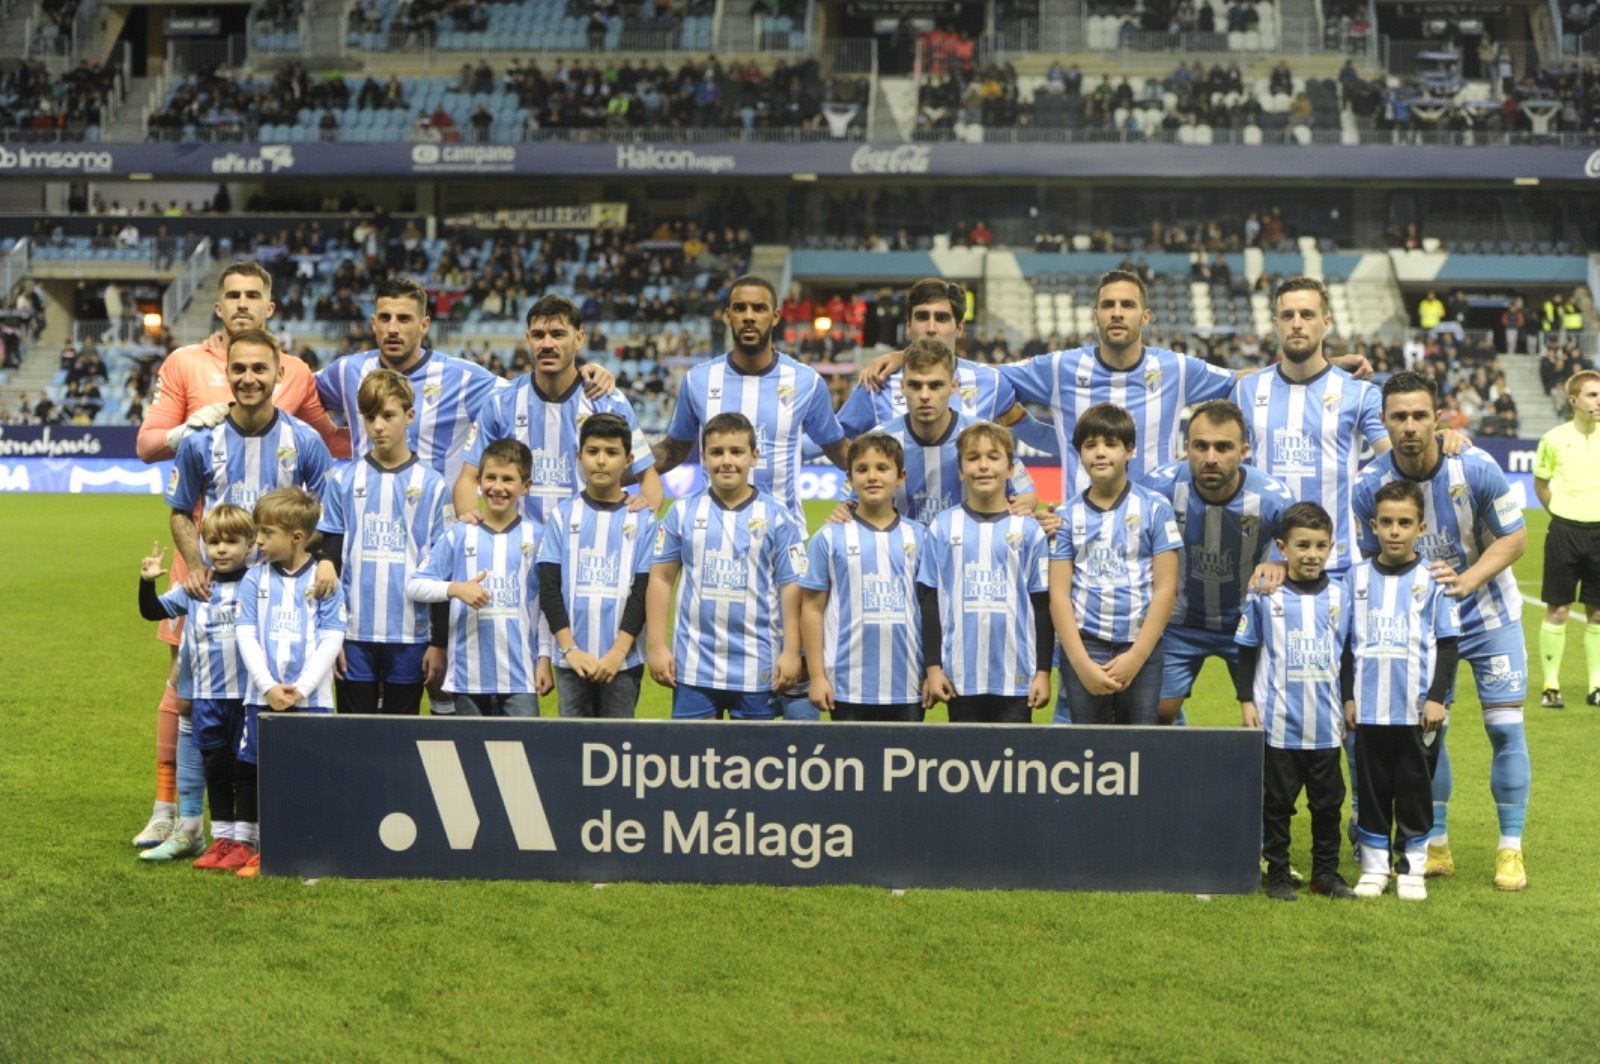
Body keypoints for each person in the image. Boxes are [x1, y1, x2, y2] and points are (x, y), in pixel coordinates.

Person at [131, 261, 343, 849]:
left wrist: (325, 557)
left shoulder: (300, 379)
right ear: (219, 306)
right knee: (188, 692)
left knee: (269, 693)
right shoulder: (184, 365)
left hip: (282, 583)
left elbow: (336, 443)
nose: (244, 302)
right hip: (209, 577)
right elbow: (151, 448)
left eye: (255, 294)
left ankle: (261, 823)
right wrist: (181, 434)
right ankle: (174, 811)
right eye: (233, 294)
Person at [1352, 371, 1530, 891]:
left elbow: (1514, 538)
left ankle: (1510, 848)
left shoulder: (1474, 466)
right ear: (1383, 421)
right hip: (1423, 631)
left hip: (1490, 617)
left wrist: (1465, 582)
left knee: (1504, 728)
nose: (1409, 427)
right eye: (1398, 417)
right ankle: (1437, 842)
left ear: (1439, 418)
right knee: (1430, 735)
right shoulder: (1370, 486)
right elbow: (1367, 560)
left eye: (1419, 415)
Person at [653, 275, 849, 527]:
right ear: (728, 316)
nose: (749, 316)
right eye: (740, 308)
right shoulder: (699, 380)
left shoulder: (806, 381)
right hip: (713, 533)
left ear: (775, 317)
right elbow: (671, 451)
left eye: (759, 308)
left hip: (783, 539)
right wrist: (614, 472)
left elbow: (839, 449)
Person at [1343, 480, 1460, 901]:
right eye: (1387, 522)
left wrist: (1436, 697)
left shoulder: (1434, 580)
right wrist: (1348, 697)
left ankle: (1412, 866)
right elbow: (1344, 647)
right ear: (1373, 525)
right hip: (1370, 709)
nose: (1395, 531)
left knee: (1414, 790)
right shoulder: (1354, 579)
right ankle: (1375, 868)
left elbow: (1447, 644)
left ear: (1421, 528)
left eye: (1404, 523)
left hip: (1415, 709)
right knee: (1371, 791)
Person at [1144, 399, 1295, 726]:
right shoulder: (1158, 488)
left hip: (1246, 624)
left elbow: (1302, 545)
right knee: (1158, 712)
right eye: (1201, 446)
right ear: (1187, 448)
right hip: (1179, 622)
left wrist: (1282, 563)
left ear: (1243, 451)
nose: (1210, 458)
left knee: (1263, 717)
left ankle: (1258, 777)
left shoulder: (1273, 499)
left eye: (1223, 447)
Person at [646, 412, 805, 721]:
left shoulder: (778, 517)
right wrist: (656, 646)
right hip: (693, 666)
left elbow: (792, 588)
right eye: (717, 452)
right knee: (691, 763)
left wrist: (790, 651)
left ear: (754, 457)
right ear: (703, 457)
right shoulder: (682, 512)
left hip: (759, 664)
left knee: (754, 766)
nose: (726, 460)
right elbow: (661, 579)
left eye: (736, 451)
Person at [1235, 501, 1356, 901]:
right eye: (1302, 545)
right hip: (1279, 723)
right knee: (1277, 804)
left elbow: (1346, 657)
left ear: (1331, 547)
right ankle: (1279, 872)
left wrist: (1350, 699)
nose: (1312, 554)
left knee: (1328, 806)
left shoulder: (1340, 596)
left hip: (1325, 725)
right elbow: (1247, 649)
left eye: (1320, 546)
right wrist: (1246, 701)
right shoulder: (1265, 595)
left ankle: (1326, 872)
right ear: (1282, 547)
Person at [314, 370, 452, 716]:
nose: (378, 426)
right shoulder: (343, 480)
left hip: (410, 633)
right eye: (370, 417)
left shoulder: (433, 485)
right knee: (353, 733)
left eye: (388, 416)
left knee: (400, 734)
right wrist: (331, 636)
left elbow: (441, 570)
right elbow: (332, 552)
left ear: (409, 416)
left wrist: (438, 642)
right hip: (354, 632)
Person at [455, 294, 659, 525]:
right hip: (521, 550)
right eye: (538, 335)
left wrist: (645, 512)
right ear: (528, 339)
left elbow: (648, 476)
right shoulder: (501, 402)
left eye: (558, 334)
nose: (547, 344)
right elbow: (468, 478)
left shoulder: (609, 402)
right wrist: (471, 527)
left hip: (584, 549)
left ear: (579, 338)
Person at [1233, 277, 1390, 576]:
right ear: (1275, 323)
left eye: (1307, 315)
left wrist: (1441, 437)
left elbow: (1399, 458)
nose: (1296, 323)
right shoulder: (1247, 390)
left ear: (1326, 322)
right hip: (1268, 567)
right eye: (1287, 315)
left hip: (1339, 568)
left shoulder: (1360, 392)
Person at [235, 488, 349, 879]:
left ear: (297, 537)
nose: (259, 541)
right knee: (267, 776)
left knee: (311, 776)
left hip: (312, 700)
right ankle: (272, 852)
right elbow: (246, 635)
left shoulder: (325, 581)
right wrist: (267, 686)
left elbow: (332, 638)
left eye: (266, 534)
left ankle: (313, 852)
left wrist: (301, 688)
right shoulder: (253, 580)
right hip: (261, 697)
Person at [134, 505, 256, 867]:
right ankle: (220, 839)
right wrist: (147, 581)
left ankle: (247, 841)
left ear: (250, 544)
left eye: (231, 542)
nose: (221, 549)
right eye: (213, 541)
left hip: (246, 696)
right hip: (206, 697)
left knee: (245, 769)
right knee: (216, 767)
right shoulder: (195, 587)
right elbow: (152, 611)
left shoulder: (259, 583)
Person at [1050, 404, 1181, 726]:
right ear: (1079, 453)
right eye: (1090, 445)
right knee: (1088, 749)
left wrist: (1136, 656)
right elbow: (1059, 596)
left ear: (1130, 450)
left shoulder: (1155, 508)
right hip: (1086, 645)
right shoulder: (1066, 516)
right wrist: (1080, 663)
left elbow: (1166, 589)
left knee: (1138, 746)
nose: (1100, 453)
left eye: (1110, 444)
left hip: (1140, 646)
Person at [315, 277, 509, 491]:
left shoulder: (463, 378)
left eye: (404, 319)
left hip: (435, 520)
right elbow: (297, 389)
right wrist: (331, 437)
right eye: (385, 318)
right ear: (373, 323)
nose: (392, 328)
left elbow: (522, 401)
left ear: (424, 325)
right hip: (365, 517)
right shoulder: (346, 371)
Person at [917, 421, 1054, 724]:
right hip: (959, 676)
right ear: (960, 470)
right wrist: (933, 667)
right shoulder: (942, 527)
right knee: (964, 763)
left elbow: (1042, 604)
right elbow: (929, 601)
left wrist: (1043, 671)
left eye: (993, 457)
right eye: (973, 457)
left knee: (1015, 764)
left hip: (1016, 675)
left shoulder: (1029, 530)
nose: (983, 466)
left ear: (1009, 469)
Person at [408, 439, 551, 716]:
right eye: (490, 478)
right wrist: (455, 589)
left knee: (523, 755)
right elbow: (415, 585)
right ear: (479, 481)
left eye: (508, 479)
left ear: (526, 486)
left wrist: (544, 658)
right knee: (471, 756)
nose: (497, 487)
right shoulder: (459, 534)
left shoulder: (538, 538)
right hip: (467, 676)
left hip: (520, 676)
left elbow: (544, 606)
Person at [839, 277, 1055, 455]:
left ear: (959, 328)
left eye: (941, 318)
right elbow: (830, 438)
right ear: (908, 326)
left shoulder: (991, 382)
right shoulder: (878, 382)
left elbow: (1035, 433)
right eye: (922, 317)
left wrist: (1083, 447)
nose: (931, 328)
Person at [800, 433, 928, 722]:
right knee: (851, 766)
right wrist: (817, 676)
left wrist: (932, 670)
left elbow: (932, 608)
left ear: (900, 477)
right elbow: (811, 608)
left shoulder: (919, 537)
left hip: (907, 683)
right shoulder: (829, 538)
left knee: (903, 764)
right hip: (846, 685)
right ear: (850, 477)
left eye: (882, 468)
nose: (872, 476)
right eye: (862, 469)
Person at [537, 413, 657, 718]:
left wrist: (618, 652)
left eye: (612, 452)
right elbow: (549, 587)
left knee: (617, 748)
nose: (601, 461)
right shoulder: (563, 516)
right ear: (579, 457)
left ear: (628, 459)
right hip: (572, 659)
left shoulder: (642, 519)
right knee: (572, 749)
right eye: (593, 452)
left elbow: (643, 591)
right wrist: (569, 649)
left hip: (623, 661)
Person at [849, 337, 1038, 525]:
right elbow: (850, 504)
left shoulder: (983, 436)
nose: (924, 395)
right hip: (905, 553)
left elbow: (1027, 494)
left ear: (953, 386)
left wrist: (1017, 510)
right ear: (903, 387)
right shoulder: (879, 440)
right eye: (915, 385)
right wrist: (845, 510)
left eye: (935, 385)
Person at [1533, 369, 1600, 710]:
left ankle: (1596, 685)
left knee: (1598, 614)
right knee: (1558, 609)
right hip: (1564, 531)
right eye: (1591, 395)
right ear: (1574, 400)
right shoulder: (1554, 439)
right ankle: (1550, 685)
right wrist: (1560, 513)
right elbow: (1541, 485)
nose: (1598, 400)